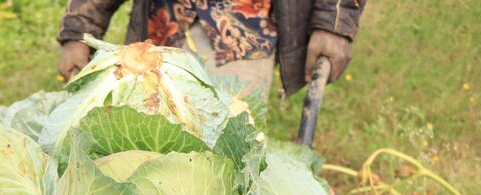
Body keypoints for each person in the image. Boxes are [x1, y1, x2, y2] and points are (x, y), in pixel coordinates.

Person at [57, 0, 366, 97]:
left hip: (240, 34)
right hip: (159, 32)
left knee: (226, 157)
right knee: (142, 152)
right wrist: (77, 29)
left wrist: (335, 22)